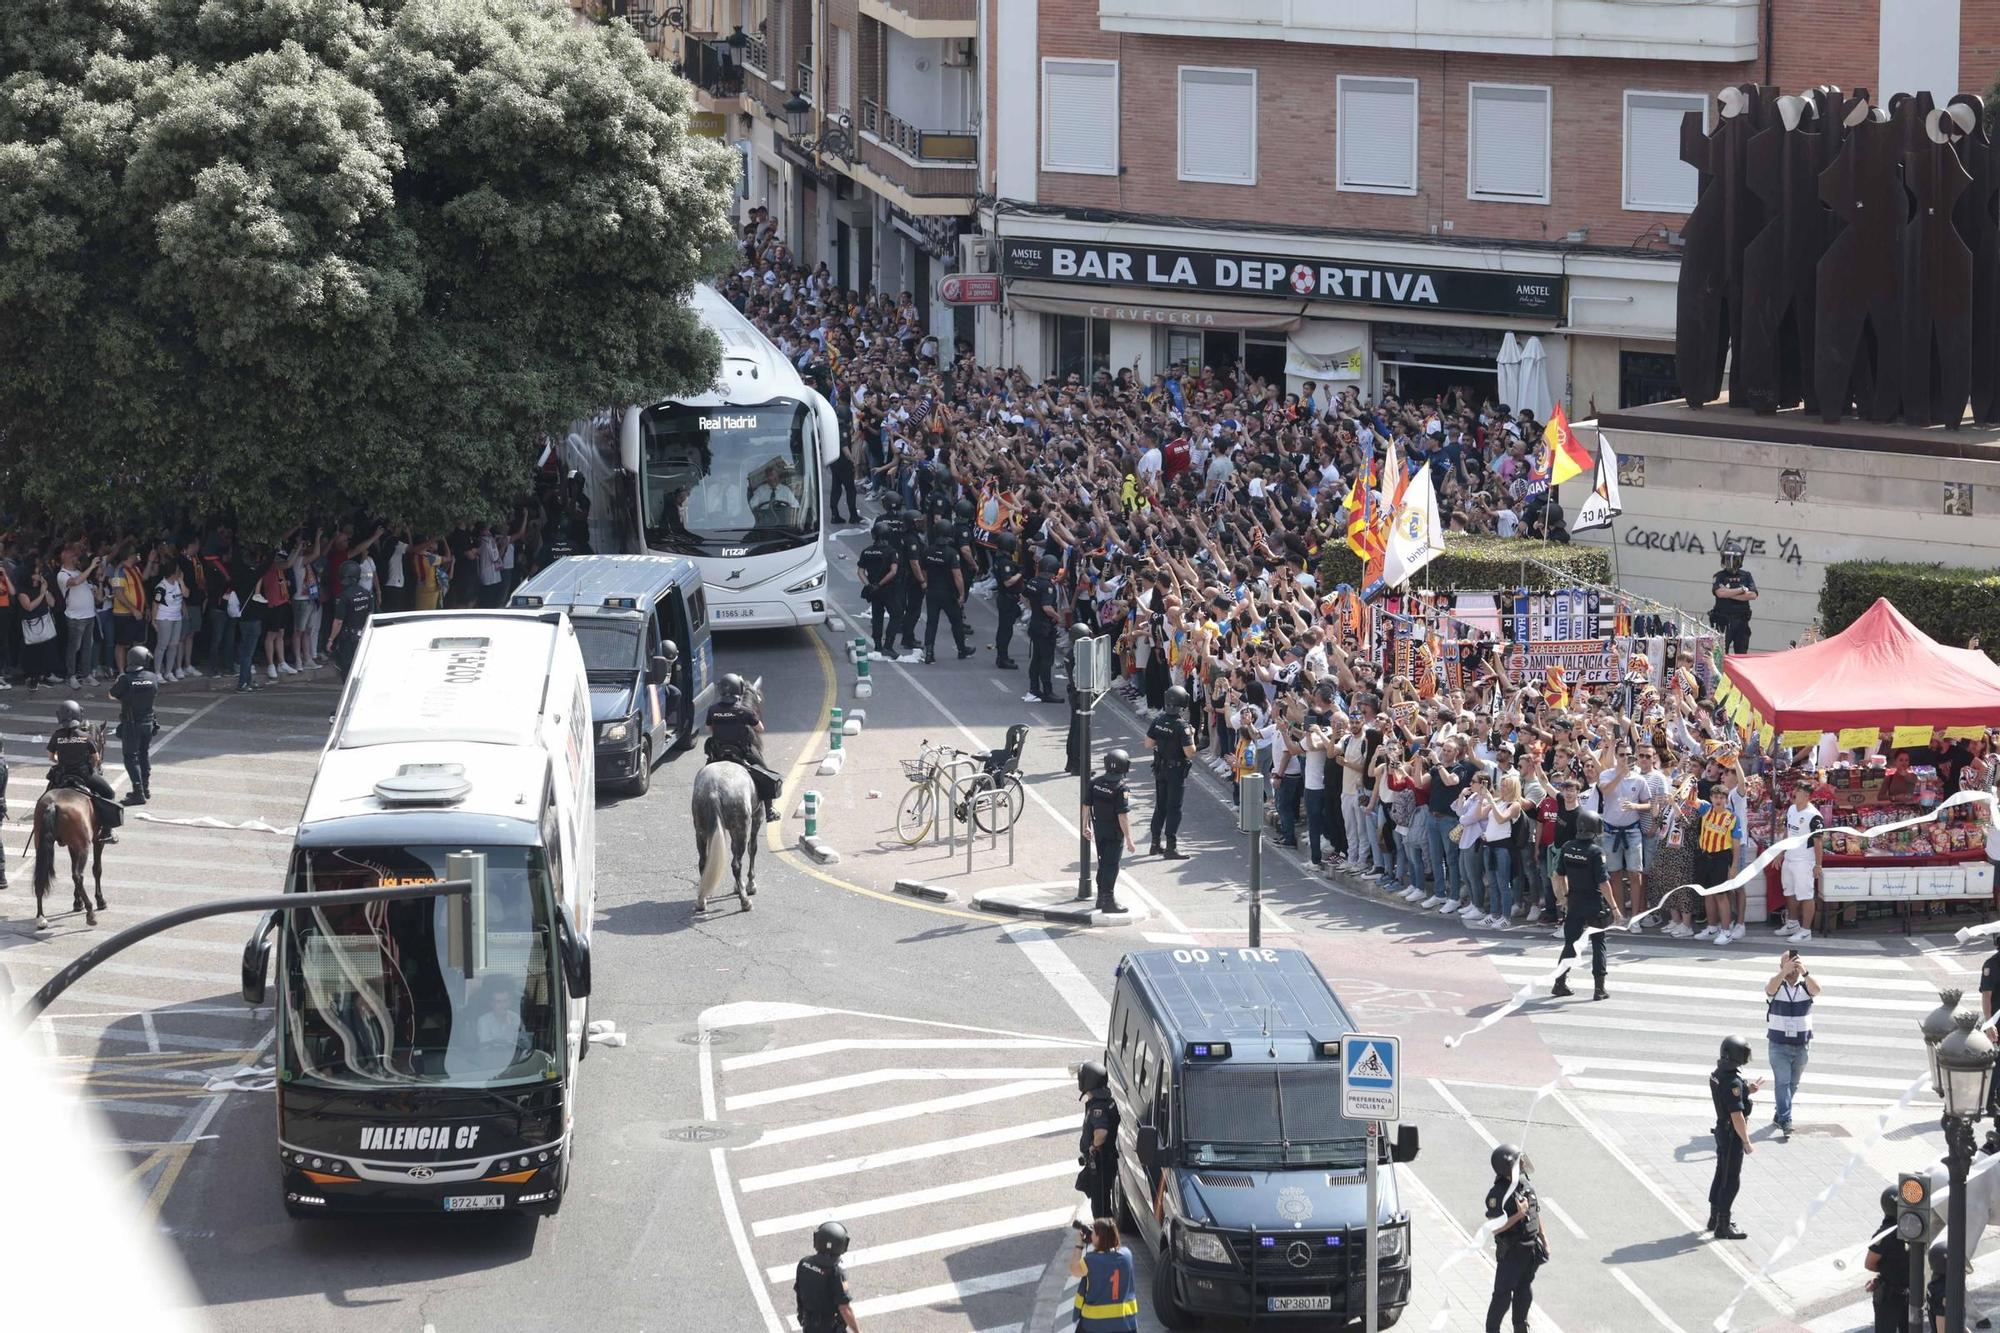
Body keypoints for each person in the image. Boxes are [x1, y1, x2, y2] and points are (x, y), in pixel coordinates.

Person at [1551, 810, 1616, 1000]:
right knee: (1598, 943)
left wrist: (1563, 897)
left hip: (1574, 901)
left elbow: (1559, 874)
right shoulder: (1596, 852)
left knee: (1570, 943)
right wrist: (1614, 908)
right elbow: (1603, 883)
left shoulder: (1567, 847)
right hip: (1594, 902)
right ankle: (1599, 989)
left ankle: (1559, 983)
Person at [1485, 1144, 1547, 1333]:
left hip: (1530, 1252)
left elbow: (1536, 1212)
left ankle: (1521, 1328)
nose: (1522, 1163)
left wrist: (1544, 1240)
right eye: (1518, 1161)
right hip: (1511, 1254)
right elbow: (1494, 1228)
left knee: (1524, 1293)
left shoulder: (1525, 1184)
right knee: (1502, 1298)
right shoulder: (1498, 1194)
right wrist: (1518, 1216)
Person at [705, 674, 783, 824]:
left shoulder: (712, 710)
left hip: (718, 752)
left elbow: (710, 728)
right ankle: (769, 810)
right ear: (738, 690)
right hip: (741, 751)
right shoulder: (745, 711)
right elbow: (760, 729)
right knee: (765, 773)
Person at [1707, 1034, 1760, 1239]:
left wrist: (1747, 1090)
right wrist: (1746, 1141)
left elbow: (1729, 1094)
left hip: (1722, 1130)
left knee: (1721, 1174)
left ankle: (1714, 1218)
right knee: (1730, 1180)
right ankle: (1723, 1224)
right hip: (1732, 1134)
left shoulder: (1718, 1074)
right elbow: (1737, 1115)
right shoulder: (1733, 1082)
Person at [46, 700, 120, 844]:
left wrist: (60, 761)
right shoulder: (86, 736)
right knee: (109, 793)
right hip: (84, 776)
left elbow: (51, 757)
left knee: (46, 798)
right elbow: (96, 758)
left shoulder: (57, 735)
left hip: (62, 776)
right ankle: (107, 831)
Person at [1762, 948, 1817, 1140]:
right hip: (1779, 1045)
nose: (1792, 966)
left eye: (1794, 962)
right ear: (1781, 965)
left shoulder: (1805, 985)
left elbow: (1817, 990)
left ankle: (1780, 1114)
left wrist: (1805, 972)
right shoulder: (1777, 984)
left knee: (1793, 1084)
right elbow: (1769, 989)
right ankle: (1786, 1120)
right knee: (1782, 1082)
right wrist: (1783, 973)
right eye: (1787, 963)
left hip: (1802, 1045)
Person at [1145, 686, 1195, 859]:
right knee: (1174, 808)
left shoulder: (1158, 720)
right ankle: (1171, 847)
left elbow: (1148, 744)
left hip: (1160, 769)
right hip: (1176, 771)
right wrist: (1192, 737)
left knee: (1160, 806)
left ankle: (1155, 843)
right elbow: (1190, 752)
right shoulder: (1182, 726)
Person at [1082, 749, 1135, 913]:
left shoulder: (1095, 782)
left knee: (1102, 863)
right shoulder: (1121, 788)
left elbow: (1086, 805)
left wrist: (1085, 826)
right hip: (1114, 832)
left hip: (1099, 829)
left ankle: (1100, 898)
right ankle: (1108, 901)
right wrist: (1129, 839)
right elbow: (1122, 816)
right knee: (1111, 865)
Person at [108, 645, 161, 807]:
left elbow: (111, 695)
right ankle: (145, 788)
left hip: (131, 724)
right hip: (148, 722)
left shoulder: (125, 679)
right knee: (144, 754)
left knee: (131, 757)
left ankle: (138, 792)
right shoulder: (152, 677)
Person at [1069, 1217, 1139, 1332]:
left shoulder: (1091, 1261)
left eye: (1094, 1233)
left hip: (1094, 1326)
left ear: (1099, 1238)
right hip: (1125, 1324)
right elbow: (1110, 1254)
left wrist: (1079, 1245)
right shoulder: (1127, 1255)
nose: (1091, 1235)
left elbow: (1073, 1269)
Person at [918, 518, 971, 665]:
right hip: (948, 594)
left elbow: (923, 569)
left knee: (931, 623)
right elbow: (957, 575)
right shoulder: (951, 553)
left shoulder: (928, 551)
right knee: (956, 622)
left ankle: (929, 652)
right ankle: (961, 649)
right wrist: (961, 594)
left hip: (932, 592)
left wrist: (926, 583)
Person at [793, 1221, 860, 1332]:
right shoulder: (836, 1273)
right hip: (829, 1327)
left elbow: (799, 1292)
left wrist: (801, 1315)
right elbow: (845, 1308)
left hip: (809, 1324)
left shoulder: (804, 1263)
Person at [1075, 1062, 1120, 1222]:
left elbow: (1101, 1133)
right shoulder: (1107, 1100)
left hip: (1100, 1163)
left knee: (1100, 1208)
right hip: (1105, 1161)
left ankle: (1105, 1240)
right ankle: (1105, 1237)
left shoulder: (1097, 1108)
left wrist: (1093, 1147)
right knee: (1100, 1201)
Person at [1779, 782, 1823, 941]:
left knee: (1805, 895)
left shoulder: (1814, 815)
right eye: (1795, 789)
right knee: (1789, 892)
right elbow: (1787, 832)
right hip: (1789, 858)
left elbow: (1818, 841)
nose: (1795, 792)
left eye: (1799, 790)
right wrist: (1780, 853)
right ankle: (1792, 923)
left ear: (1807, 796)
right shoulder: (1791, 809)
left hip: (1804, 861)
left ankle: (1806, 930)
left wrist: (1818, 864)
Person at [1864, 1186, 1909, 1333]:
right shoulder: (1884, 1235)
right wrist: (1890, 1271)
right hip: (1889, 1296)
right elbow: (1869, 1263)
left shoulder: (1913, 1228)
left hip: (1910, 1295)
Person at [324, 561, 375, 677]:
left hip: (348, 639)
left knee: (347, 669)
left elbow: (338, 621)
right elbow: (370, 615)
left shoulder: (343, 597)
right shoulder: (367, 593)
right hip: (363, 636)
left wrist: (331, 639)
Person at [856, 521, 900, 655]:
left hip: (873, 590)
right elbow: (893, 571)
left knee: (877, 616)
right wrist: (880, 584)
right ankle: (888, 645)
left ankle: (877, 645)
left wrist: (869, 585)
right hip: (888, 589)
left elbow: (860, 572)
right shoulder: (891, 552)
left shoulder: (867, 551)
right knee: (896, 615)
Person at [1709, 542, 1758, 655]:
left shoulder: (1746, 575)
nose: (1730, 562)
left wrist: (1728, 593)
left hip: (1741, 622)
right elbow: (1720, 593)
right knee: (1720, 653)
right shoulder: (1720, 576)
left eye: (1734, 559)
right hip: (1723, 622)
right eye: (1727, 559)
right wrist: (1741, 590)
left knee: (1741, 654)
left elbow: (1753, 595)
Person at [1025, 556, 1061, 704]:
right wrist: (1059, 617)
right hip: (1045, 628)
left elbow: (1024, 598)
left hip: (1034, 623)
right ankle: (1047, 691)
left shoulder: (1032, 582)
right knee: (1046, 660)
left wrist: (1034, 610)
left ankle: (1034, 688)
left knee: (1036, 658)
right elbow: (1047, 607)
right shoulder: (1047, 586)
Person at [991, 531, 1024, 670]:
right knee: (1006, 630)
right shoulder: (1005, 562)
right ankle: (1002, 658)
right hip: (1007, 599)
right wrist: (1020, 573)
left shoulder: (1000, 558)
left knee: (1004, 628)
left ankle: (1002, 656)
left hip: (1006, 598)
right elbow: (1008, 582)